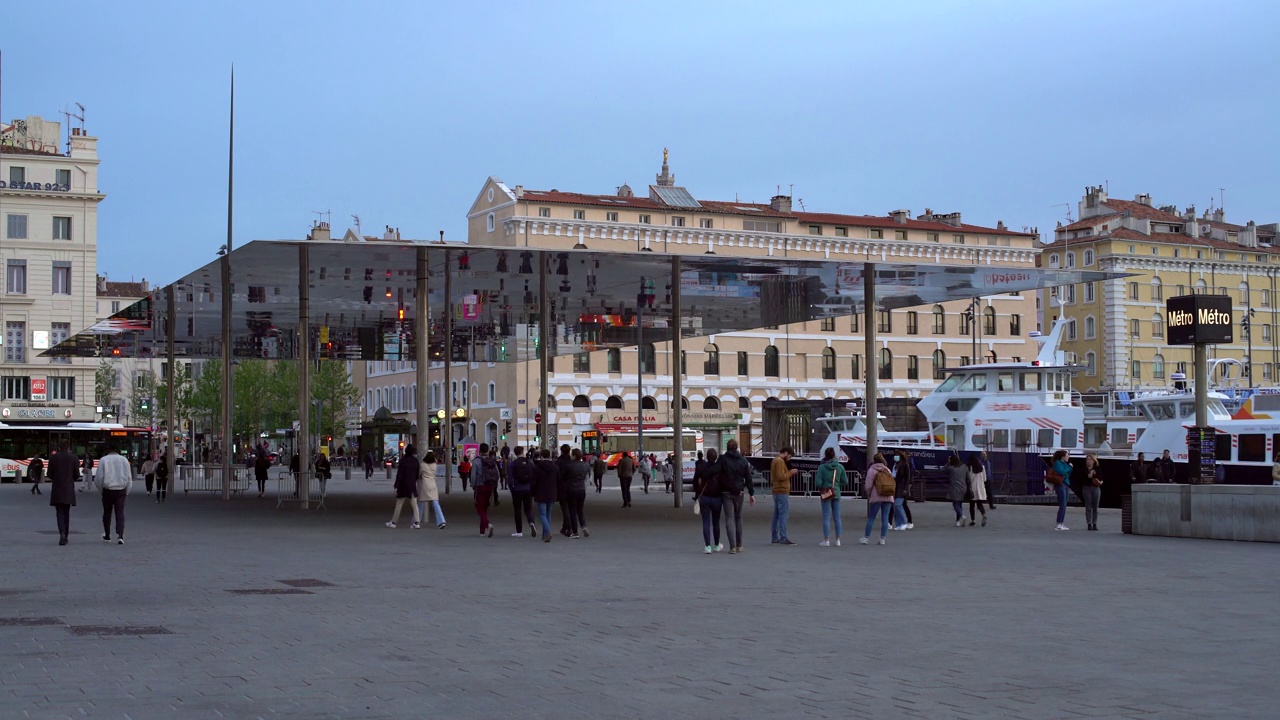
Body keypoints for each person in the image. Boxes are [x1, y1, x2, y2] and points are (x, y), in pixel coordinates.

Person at [718, 439, 756, 554]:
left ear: (727, 447)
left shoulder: (722, 459)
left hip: (726, 492)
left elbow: (716, 472)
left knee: (729, 519)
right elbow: (748, 478)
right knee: (738, 518)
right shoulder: (743, 461)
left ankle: (732, 547)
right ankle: (740, 545)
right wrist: (752, 493)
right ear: (736, 447)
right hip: (739, 492)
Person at [96, 443, 132, 545]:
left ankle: (107, 534)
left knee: (107, 513)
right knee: (120, 513)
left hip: (108, 490)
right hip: (121, 490)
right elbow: (129, 477)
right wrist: (127, 491)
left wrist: (101, 490)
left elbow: (99, 478)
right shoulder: (124, 460)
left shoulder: (104, 460)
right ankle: (120, 535)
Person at [693, 448, 723, 554]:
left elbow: (695, 481)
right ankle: (716, 544)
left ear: (706, 456)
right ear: (715, 457)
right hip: (717, 498)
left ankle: (707, 546)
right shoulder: (719, 468)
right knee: (716, 522)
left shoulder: (701, 467)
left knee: (706, 521)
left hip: (704, 497)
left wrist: (698, 493)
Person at [814, 447, 846, 547]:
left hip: (826, 493)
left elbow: (818, 483)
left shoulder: (822, 467)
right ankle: (838, 540)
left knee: (826, 517)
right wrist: (837, 486)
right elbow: (845, 481)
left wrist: (823, 487)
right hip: (836, 493)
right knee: (837, 517)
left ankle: (826, 540)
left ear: (825, 455)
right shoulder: (840, 467)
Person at [48, 442, 78, 545]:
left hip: (57, 488)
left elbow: (49, 474)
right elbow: (77, 475)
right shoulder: (74, 458)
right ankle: (66, 534)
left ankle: (62, 533)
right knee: (67, 513)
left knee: (59, 513)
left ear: (59, 447)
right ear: (69, 448)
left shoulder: (53, 458)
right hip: (68, 489)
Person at [862, 452, 894, 545]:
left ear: (874, 460)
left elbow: (868, 485)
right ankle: (882, 539)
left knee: (872, 517)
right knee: (885, 518)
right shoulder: (887, 469)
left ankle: (866, 538)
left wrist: (869, 494)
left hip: (876, 496)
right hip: (888, 495)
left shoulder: (871, 470)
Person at [386, 444, 421, 529]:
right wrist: (414, 480)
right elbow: (417, 474)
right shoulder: (416, 461)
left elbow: (399, 474)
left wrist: (396, 485)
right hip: (412, 485)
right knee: (414, 504)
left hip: (402, 485)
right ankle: (417, 523)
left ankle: (393, 522)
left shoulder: (402, 461)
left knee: (399, 504)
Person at [770, 447, 798, 545]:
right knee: (783, 515)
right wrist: (791, 472)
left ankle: (775, 537)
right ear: (786, 453)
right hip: (781, 491)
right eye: (789, 456)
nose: (789, 459)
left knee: (777, 514)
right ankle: (783, 537)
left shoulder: (775, 460)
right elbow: (781, 476)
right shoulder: (779, 461)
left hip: (777, 490)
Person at [507, 446, 538, 538]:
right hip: (527, 488)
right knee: (528, 509)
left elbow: (510, 477)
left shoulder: (513, 464)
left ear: (515, 453)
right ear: (523, 452)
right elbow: (534, 474)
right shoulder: (529, 462)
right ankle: (531, 522)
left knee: (517, 510)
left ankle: (519, 531)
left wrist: (511, 488)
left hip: (517, 489)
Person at [533, 448, 559, 542]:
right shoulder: (555, 467)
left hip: (540, 492)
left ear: (541, 456)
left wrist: (533, 492)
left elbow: (534, 481)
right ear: (550, 456)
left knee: (542, 514)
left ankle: (548, 532)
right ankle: (544, 535)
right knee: (548, 514)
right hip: (551, 492)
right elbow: (558, 480)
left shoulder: (537, 467)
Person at [473, 443, 499, 537]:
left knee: (479, 508)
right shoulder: (491, 461)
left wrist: (473, 485)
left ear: (479, 450)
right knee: (484, 508)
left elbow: (473, 476)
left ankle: (488, 524)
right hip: (489, 486)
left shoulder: (476, 461)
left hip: (480, 486)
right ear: (487, 451)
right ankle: (482, 531)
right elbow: (497, 474)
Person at [563, 448, 590, 538]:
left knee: (572, 511)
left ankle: (575, 532)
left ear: (574, 455)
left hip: (571, 489)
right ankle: (583, 526)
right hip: (581, 489)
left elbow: (563, 476)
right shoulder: (585, 465)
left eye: (572, 455)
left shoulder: (568, 466)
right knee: (580, 509)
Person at [417, 450, 446, 529]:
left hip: (424, 485)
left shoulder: (422, 465)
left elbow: (419, 475)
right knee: (436, 504)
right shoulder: (434, 465)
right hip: (433, 484)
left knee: (420, 504)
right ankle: (441, 521)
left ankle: (416, 521)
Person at [1050, 449, 1074, 531]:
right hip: (1060, 484)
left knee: (1064, 504)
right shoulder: (1057, 463)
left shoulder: (1064, 464)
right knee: (1062, 504)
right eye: (1067, 456)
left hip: (1066, 484)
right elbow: (1062, 472)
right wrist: (1069, 467)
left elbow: (1069, 473)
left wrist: (1069, 468)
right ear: (1062, 457)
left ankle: (1061, 522)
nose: (1068, 457)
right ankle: (1058, 523)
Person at [892, 450, 914, 530]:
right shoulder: (895, 465)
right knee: (896, 505)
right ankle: (899, 524)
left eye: (897, 455)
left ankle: (904, 522)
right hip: (895, 487)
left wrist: (906, 488)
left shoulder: (905, 465)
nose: (895, 457)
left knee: (898, 505)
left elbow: (907, 478)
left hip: (901, 487)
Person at [556, 444, 574, 536]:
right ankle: (565, 527)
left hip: (562, 487)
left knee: (565, 509)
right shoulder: (572, 460)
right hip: (572, 486)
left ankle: (569, 528)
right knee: (571, 508)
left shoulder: (559, 461)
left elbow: (557, 475)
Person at [947, 455, 969, 527]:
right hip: (963, 487)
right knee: (959, 504)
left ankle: (962, 516)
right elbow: (968, 478)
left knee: (955, 504)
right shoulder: (964, 467)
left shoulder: (951, 468)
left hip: (955, 488)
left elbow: (943, 469)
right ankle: (958, 521)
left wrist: (948, 462)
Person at [967, 455, 989, 527]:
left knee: (972, 505)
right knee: (979, 504)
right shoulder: (982, 467)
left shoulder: (970, 467)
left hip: (972, 488)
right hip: (980, 487)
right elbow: (985, 479)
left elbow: (968, 479)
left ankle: (973, 520)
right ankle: (983, 514)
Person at [1082, 453, 1102, 531]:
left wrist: (1095, 476)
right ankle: (1089, 523)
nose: (1088, 461)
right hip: (1087, 488)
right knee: (1088, 506)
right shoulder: (1083, 469)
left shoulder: (1097, 469)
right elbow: (1081, 479)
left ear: (1094, 461)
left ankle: (1095, 523)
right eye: (1087, 460)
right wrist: (1088, 475)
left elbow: (1101, 477)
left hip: (1096, 488)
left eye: (1090, 460)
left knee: (1095, 507)